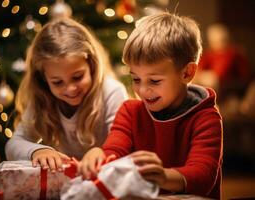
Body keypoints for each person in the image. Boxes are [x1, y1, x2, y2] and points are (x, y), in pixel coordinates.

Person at [79, 12, 223, 199]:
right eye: (136, 79)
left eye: (154, 81)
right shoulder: (130, 112)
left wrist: (162, 176)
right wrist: (98, 154)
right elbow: (114, 151)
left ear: (187, 73)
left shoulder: (206, 118)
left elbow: (203, 177)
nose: (143, 90)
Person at [5, 17, 128, 172]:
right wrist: (37, 151)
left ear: (91, 65)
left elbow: (125, 145)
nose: (70, 89)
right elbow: (13, 144)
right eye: (57, 82)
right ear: (43, 79)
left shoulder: (112, 92)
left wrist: (102, 152)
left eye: (78, 77)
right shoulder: (43, 97)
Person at [195, 23, 251, 103]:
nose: (217, 44)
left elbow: (245, 77)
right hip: (212, 85)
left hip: (229, 88)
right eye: (214, 42)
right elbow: (199, 68)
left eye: (220, 41)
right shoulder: (210, 54)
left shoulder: (235, 54)